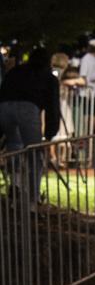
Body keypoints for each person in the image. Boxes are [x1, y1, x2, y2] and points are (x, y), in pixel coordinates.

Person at [0, 46, 60, 201]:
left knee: (14, 146)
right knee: (34, 153)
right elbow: (53, 106)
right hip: (28, 108)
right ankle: (33, 196)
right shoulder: (48, 77)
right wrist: (50, 133)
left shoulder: (16, 71)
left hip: (5, 107)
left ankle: (16, 186)